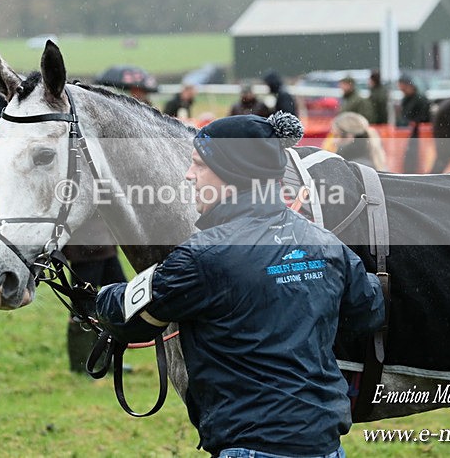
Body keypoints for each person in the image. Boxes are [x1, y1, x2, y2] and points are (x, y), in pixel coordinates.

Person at [95, 112, 385, 458]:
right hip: (325, 446)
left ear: (231, 176)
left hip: (252, 447)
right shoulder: (324, 242)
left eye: (199, 165)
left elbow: (128, 316)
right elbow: (369, 310)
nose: (189, 176)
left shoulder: (202, 257)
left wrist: (100, 297)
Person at [63, 213, 127, 374]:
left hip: (106, 246)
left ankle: (106, 360)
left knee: (116, 302)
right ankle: (81, 365)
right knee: (84, 308)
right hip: (85, 250)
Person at [323, 111, 388, 171]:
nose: (333, 141)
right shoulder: (371, 159)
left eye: (336, 136)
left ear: (350, 136)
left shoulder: (353, 166)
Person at [397, 74, 430, 172]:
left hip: (418, 135)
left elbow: (424, 117)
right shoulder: (406, 99)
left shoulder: (419, 99)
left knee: (416, 157)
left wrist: (414, 123)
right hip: (409, 135)